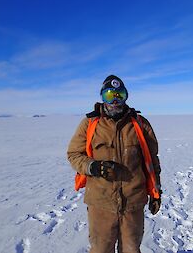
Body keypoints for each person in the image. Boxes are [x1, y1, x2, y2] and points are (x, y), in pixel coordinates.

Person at [67, 75, 162, 253]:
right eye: (110, 95)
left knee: (132, 249)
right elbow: (73, 154)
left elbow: (152, 162)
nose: (115, 100)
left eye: (120, 94)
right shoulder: (89, 124)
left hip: (133, 202)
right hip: (101, 203)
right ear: (102, 97)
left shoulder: (141, 124)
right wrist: (91, 166)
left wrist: (156, 192)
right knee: (101, 249)